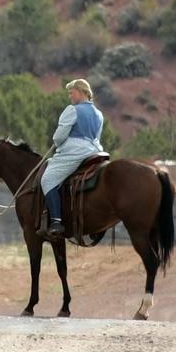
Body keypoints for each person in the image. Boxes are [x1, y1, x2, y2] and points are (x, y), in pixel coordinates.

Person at [40, 79, 104, 239]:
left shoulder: (72, 110)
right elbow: (97, 137)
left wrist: (56, 141)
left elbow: (59, 136)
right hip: (95, 152)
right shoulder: (99, 113)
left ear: (81, 91)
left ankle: (56, 221)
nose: (69, 96)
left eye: (71, 92)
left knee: (47, 179)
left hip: (75, 152)